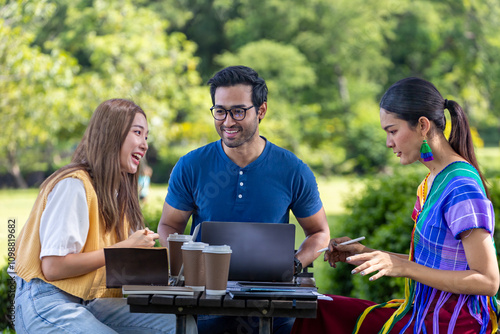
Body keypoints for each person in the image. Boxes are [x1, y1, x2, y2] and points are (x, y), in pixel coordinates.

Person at [292, 77, 499, 334]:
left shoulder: (462, 187)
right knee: (317, 308)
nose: (389, 143)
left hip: (451, 324)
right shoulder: (433, 181)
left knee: (321, 315)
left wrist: (403, 267)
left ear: (423, 125)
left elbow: (488, 281)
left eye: (392, 131)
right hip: (422, 312)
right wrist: (365, 253)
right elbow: (436, 263)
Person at [158, 65, 331, 334]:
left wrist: (295, 264)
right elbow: (169, 226)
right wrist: (186, 269)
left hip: (272, 307)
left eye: (238, 111)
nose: (227, 121)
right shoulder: (191, 165)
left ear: (261, 110)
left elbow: (320, 232)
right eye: (220, 111)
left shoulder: (292, 169)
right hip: (203, 304)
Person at [14, 99, 183, 333]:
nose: (144, 145)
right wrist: (124, 248)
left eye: (146, 136)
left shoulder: (120, 195)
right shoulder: (73, 185)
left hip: (94, 300)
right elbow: (53, 267)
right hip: (47, 299)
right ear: (111, 134)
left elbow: (118, 271)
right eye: (137, 132)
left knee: (179, 325)